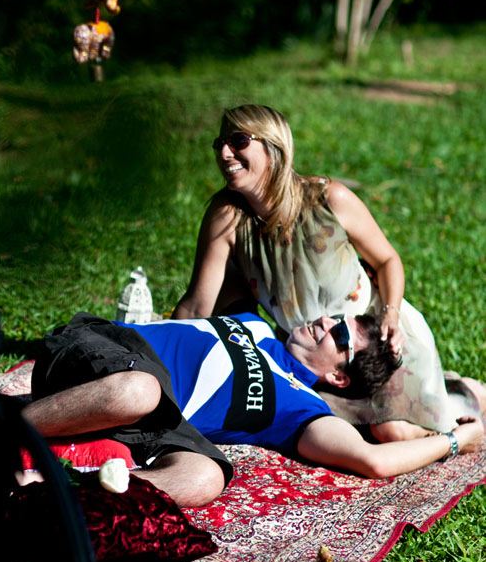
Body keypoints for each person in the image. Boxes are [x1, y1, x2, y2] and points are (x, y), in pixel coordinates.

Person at [172, 104, 485, 439]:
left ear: (275, 147)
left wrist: (391, 314)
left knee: (391, 432)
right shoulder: (227, 218)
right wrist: (162, 359)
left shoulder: (327, 199)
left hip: (374, 342)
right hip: (312, 357)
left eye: (238, 141)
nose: (224, 153)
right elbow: (197, 305)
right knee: (327, 433)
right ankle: (451, 392)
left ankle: (458, 423)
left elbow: (387, 260)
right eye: (219, 143)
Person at [20, 311, 483, 508]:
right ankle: (2, 427)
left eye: (339, 335)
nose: (325, 321)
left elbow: (374, 460)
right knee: (141, 390)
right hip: (107, 353)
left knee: (206, 477)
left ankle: (55, 493)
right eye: (335, 316)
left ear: (340, 378)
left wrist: (456, 440)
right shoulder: (254, 321)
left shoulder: (303, 410)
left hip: (155, 420)